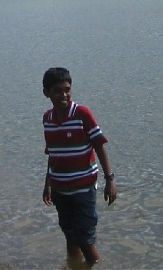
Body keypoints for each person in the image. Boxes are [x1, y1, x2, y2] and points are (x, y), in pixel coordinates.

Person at [41, 67, 117, 266]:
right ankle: (73, 264)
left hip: (83, 189)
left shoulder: (82, 113)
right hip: (60, 189)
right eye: (57, 90)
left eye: (67, 89)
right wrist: (47, 184)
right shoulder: (47, 119)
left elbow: (99, 145)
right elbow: (53, 154)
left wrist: (110, 179)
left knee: (84, 236)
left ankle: (95, 264)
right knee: (69, 233)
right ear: (46, 93)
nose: (64, 95)